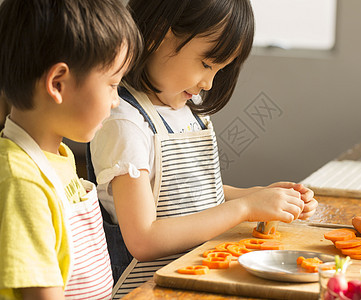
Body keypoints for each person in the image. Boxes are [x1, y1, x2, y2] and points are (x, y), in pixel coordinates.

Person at [88, 0, 318, 297]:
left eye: (219, 70)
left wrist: (260, 196)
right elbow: (144, 239)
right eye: (206, 64)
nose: (209, 83)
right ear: (159, 34)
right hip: (144, 291)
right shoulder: (126, 123)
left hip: (191, 281)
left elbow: (189, 195)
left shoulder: (188, 108)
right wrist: (244, 208)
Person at [0, 0, 142, 299]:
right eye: (112, 84)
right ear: (58, 83)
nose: (116, 101)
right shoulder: (22, 183)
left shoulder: (58, 158)